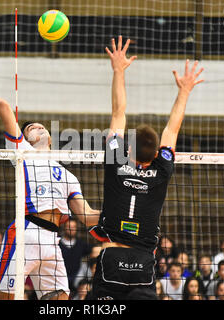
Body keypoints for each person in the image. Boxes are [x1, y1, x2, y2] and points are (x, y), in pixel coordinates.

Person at [89, 36, 204, 300]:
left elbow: (119, 113)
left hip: (112, 256)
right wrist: (185, 91)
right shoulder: (162, 170)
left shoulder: (116, 163)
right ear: (155, 154)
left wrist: (118, 70)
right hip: (143, 261)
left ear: (128, 149)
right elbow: (172, 128)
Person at [0, 78, 100, 300]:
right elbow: (6, 110)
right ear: (25, 139)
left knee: (61, 300)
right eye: (29, 128)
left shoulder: (68, 175)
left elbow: (87, 216)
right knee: (4, 297)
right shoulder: (23, 152)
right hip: (26, 233)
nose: (36, 126)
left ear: (51, 140)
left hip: (53, 239)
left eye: (40, 125)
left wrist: (118, 216)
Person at [59, 218, 92, 293]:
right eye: (69, 227)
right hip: (60, 278)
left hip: (77, 279)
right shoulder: (57, 244)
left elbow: (93, 252)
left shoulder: (81, 244)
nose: (71, 229)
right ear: (64, 228)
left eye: (74, 227)